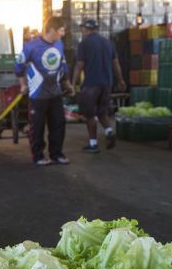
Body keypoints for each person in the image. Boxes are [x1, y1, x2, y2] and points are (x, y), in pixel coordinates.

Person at [17, 16, 75, 166]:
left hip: (55, 92)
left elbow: (63, 66)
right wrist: (23, 85)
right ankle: (38, 156)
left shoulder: (59, 44)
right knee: (37, 126)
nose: (63, 34)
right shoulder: (31, 46)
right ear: (52, 30)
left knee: (58, 123)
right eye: (61, 30)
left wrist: (68, 85)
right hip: (37, 94)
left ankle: (57, 154)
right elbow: (19, 65)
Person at [71, 19, 126, 153]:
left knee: (90, 115)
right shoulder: (108, 43)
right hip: (107, 83)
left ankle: (93, 144)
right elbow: (115, 64)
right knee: (102, 110)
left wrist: (72, 84)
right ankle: (108, 131)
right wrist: (120, 80)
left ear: (86, 29)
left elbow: (79, 66)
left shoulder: (84, 44)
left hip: (91, 84)